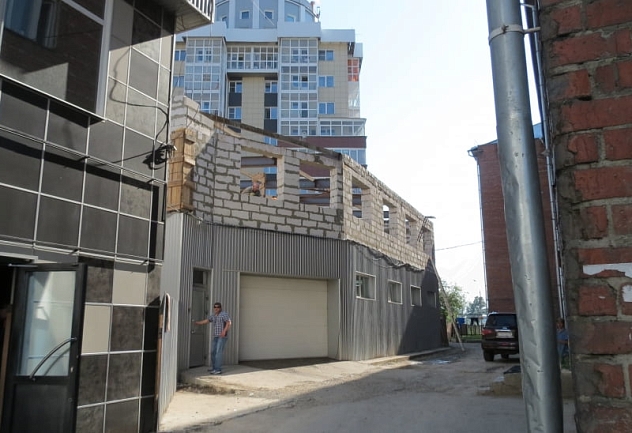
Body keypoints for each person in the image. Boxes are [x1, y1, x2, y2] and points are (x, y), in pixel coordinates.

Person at [195, 302, 232, 375]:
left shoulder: (224, 314)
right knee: (213, 352)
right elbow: (207, 320)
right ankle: (214, 368)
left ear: (220, 308)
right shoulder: (214, 315)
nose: (216, 308)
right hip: (216, 336)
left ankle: (218, 370)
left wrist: (224, 331)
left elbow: (229, 323)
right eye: (215, 307)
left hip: (222, 336)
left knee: (218, 352)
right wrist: (198, 323)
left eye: (218, 307)